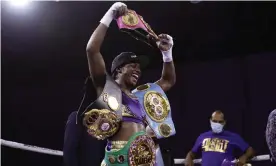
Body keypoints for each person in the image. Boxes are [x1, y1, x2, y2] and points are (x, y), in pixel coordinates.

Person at [78, 2, 176, 166]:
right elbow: (91, 50)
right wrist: (110, 14)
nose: (138, 70)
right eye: (132, 65)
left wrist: (167, 53)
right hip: (118, 159)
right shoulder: (107, 88)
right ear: (118, 70)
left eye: (139, 68)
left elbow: (168, 81)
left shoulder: (141, 96)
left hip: (144, 159)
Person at [184, 111, 255, 166]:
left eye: (220, 122)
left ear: (224, 122)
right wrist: (188, 157)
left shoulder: (232, 136)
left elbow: (250, 150)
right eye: (214, 121)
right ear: (210, 121)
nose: (217, 123)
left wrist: (244, 157)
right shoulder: (202, 136)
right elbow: (193, 152)